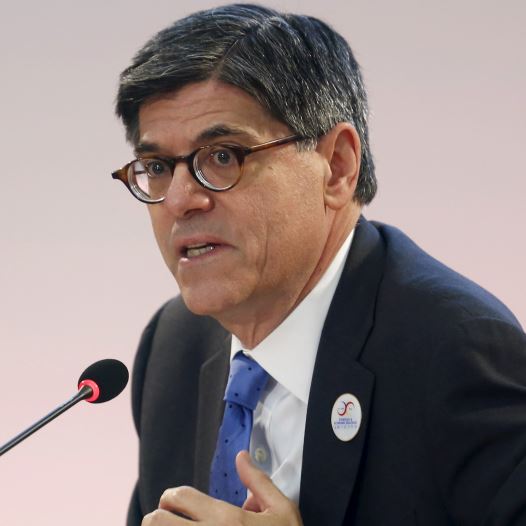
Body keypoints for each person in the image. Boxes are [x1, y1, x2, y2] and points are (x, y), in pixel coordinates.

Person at [111, 4, 526, 525]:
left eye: (222, 156)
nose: (178, 201)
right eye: (156, 167)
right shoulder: (174, 346)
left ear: (337, 167)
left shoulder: (456, 350)